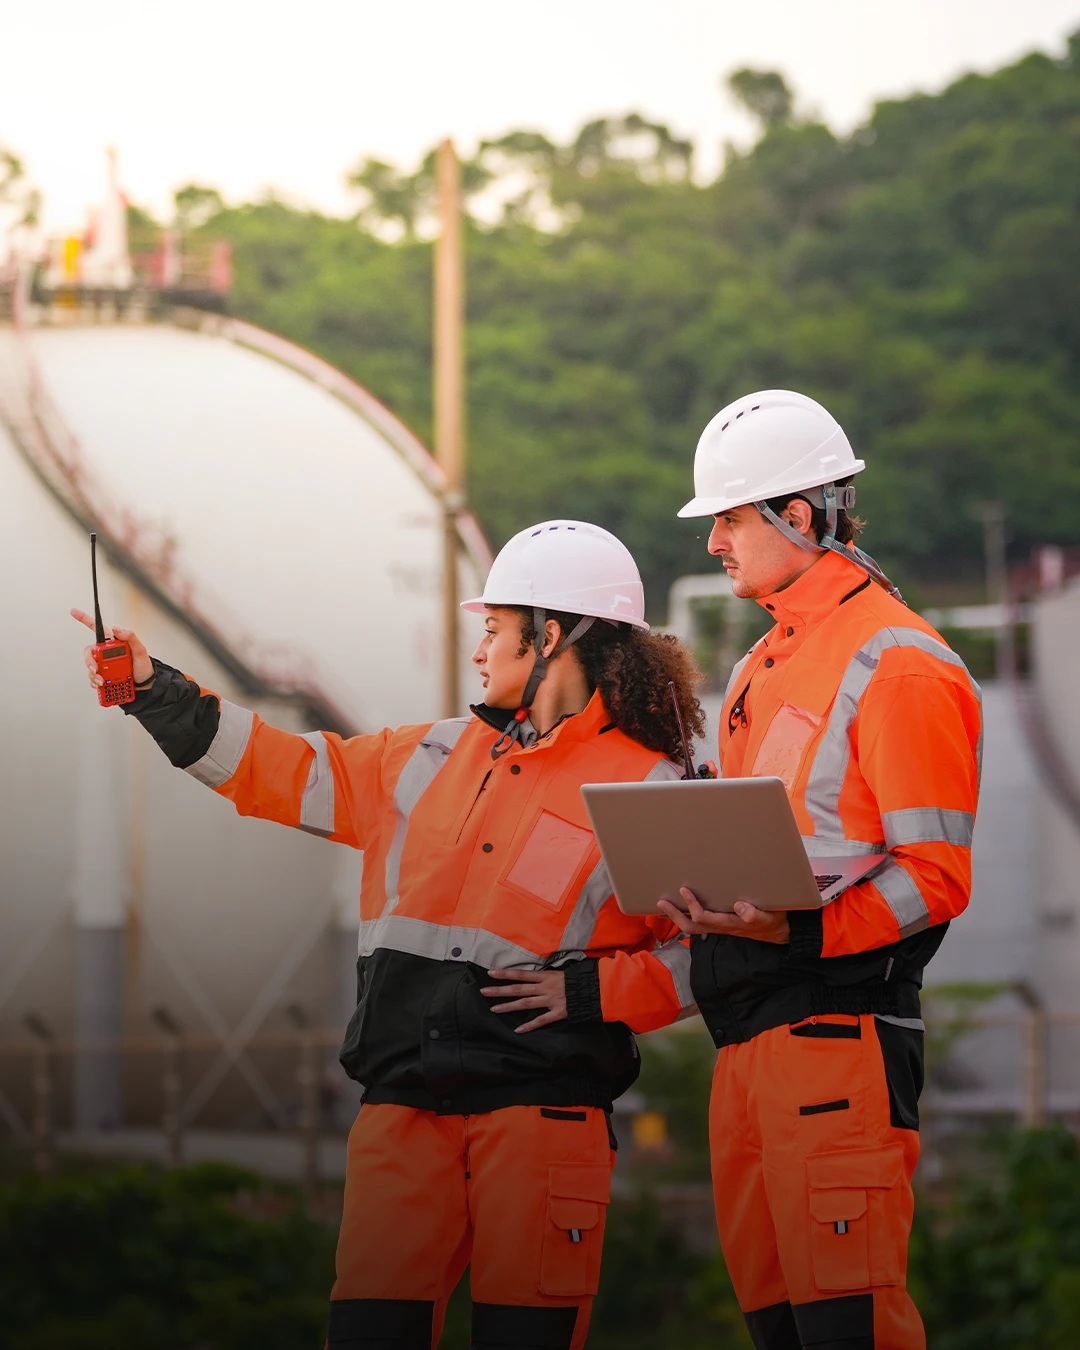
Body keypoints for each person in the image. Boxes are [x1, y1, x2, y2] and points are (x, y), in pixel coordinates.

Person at [73, 519, 701, 1350]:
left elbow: (710, 955)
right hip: (402, 1118)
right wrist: (154, 689)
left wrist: (593, 991)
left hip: (544, 1124)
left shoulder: (653, 785)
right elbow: (273, 770)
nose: (479, 651)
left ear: (549, 636)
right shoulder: (424, 757)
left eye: (493, 629)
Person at [661, 390, 982, 1350]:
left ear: (797, 516)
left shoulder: (900, 662)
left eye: (728, 520)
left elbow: (936, 877)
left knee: (850, 1326)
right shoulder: (760, 664)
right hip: (746, 1043)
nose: (713, 543)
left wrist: (796, 928)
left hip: (839, 1039)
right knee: (781, 1332)